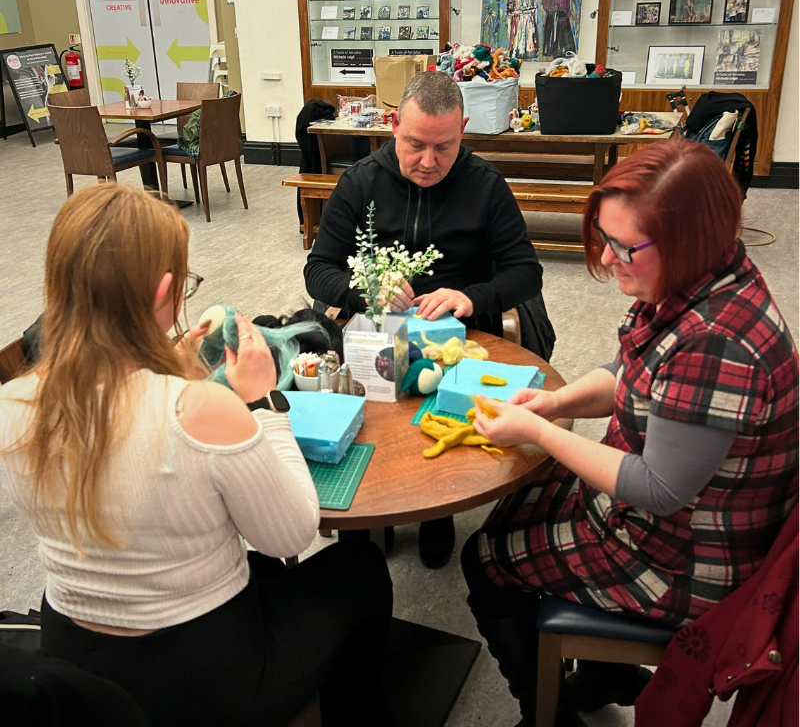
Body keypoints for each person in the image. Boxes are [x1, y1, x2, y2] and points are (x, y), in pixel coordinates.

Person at [0, 184, 393, 727]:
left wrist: (166, 370)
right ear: (164, 290)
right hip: (200, 674)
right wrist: (262, 399)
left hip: (71, 656)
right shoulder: (200, 409)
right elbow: (291, 533)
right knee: (361, 566)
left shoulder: (12, 402)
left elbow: (118, 445)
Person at [460, 141, 799, 726]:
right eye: (605, 237)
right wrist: (558, 400)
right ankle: (605, 672)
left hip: (686, 562)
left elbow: (658, 489)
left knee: (486, 557)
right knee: (517, 499)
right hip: (664, 521)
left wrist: (540, 431)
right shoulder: (694, 279)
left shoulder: (715, 342)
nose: (611, 259)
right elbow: (629, 371)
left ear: (686, 240)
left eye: (625, 246)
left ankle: (553, 715)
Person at [304, 71, 552, 569]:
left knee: (440, 409)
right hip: (376, 326)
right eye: (415, 144)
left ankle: (437, 509)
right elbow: (318, 270)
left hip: (461, 332)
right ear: (394, 125)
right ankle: (375, 510)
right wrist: (364, 292)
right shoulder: (359, 183)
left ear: (463, 128)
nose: (428, 162)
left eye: (445, 147)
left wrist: (471, 295)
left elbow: (526, 272)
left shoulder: (485, 185)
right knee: (370, 409)